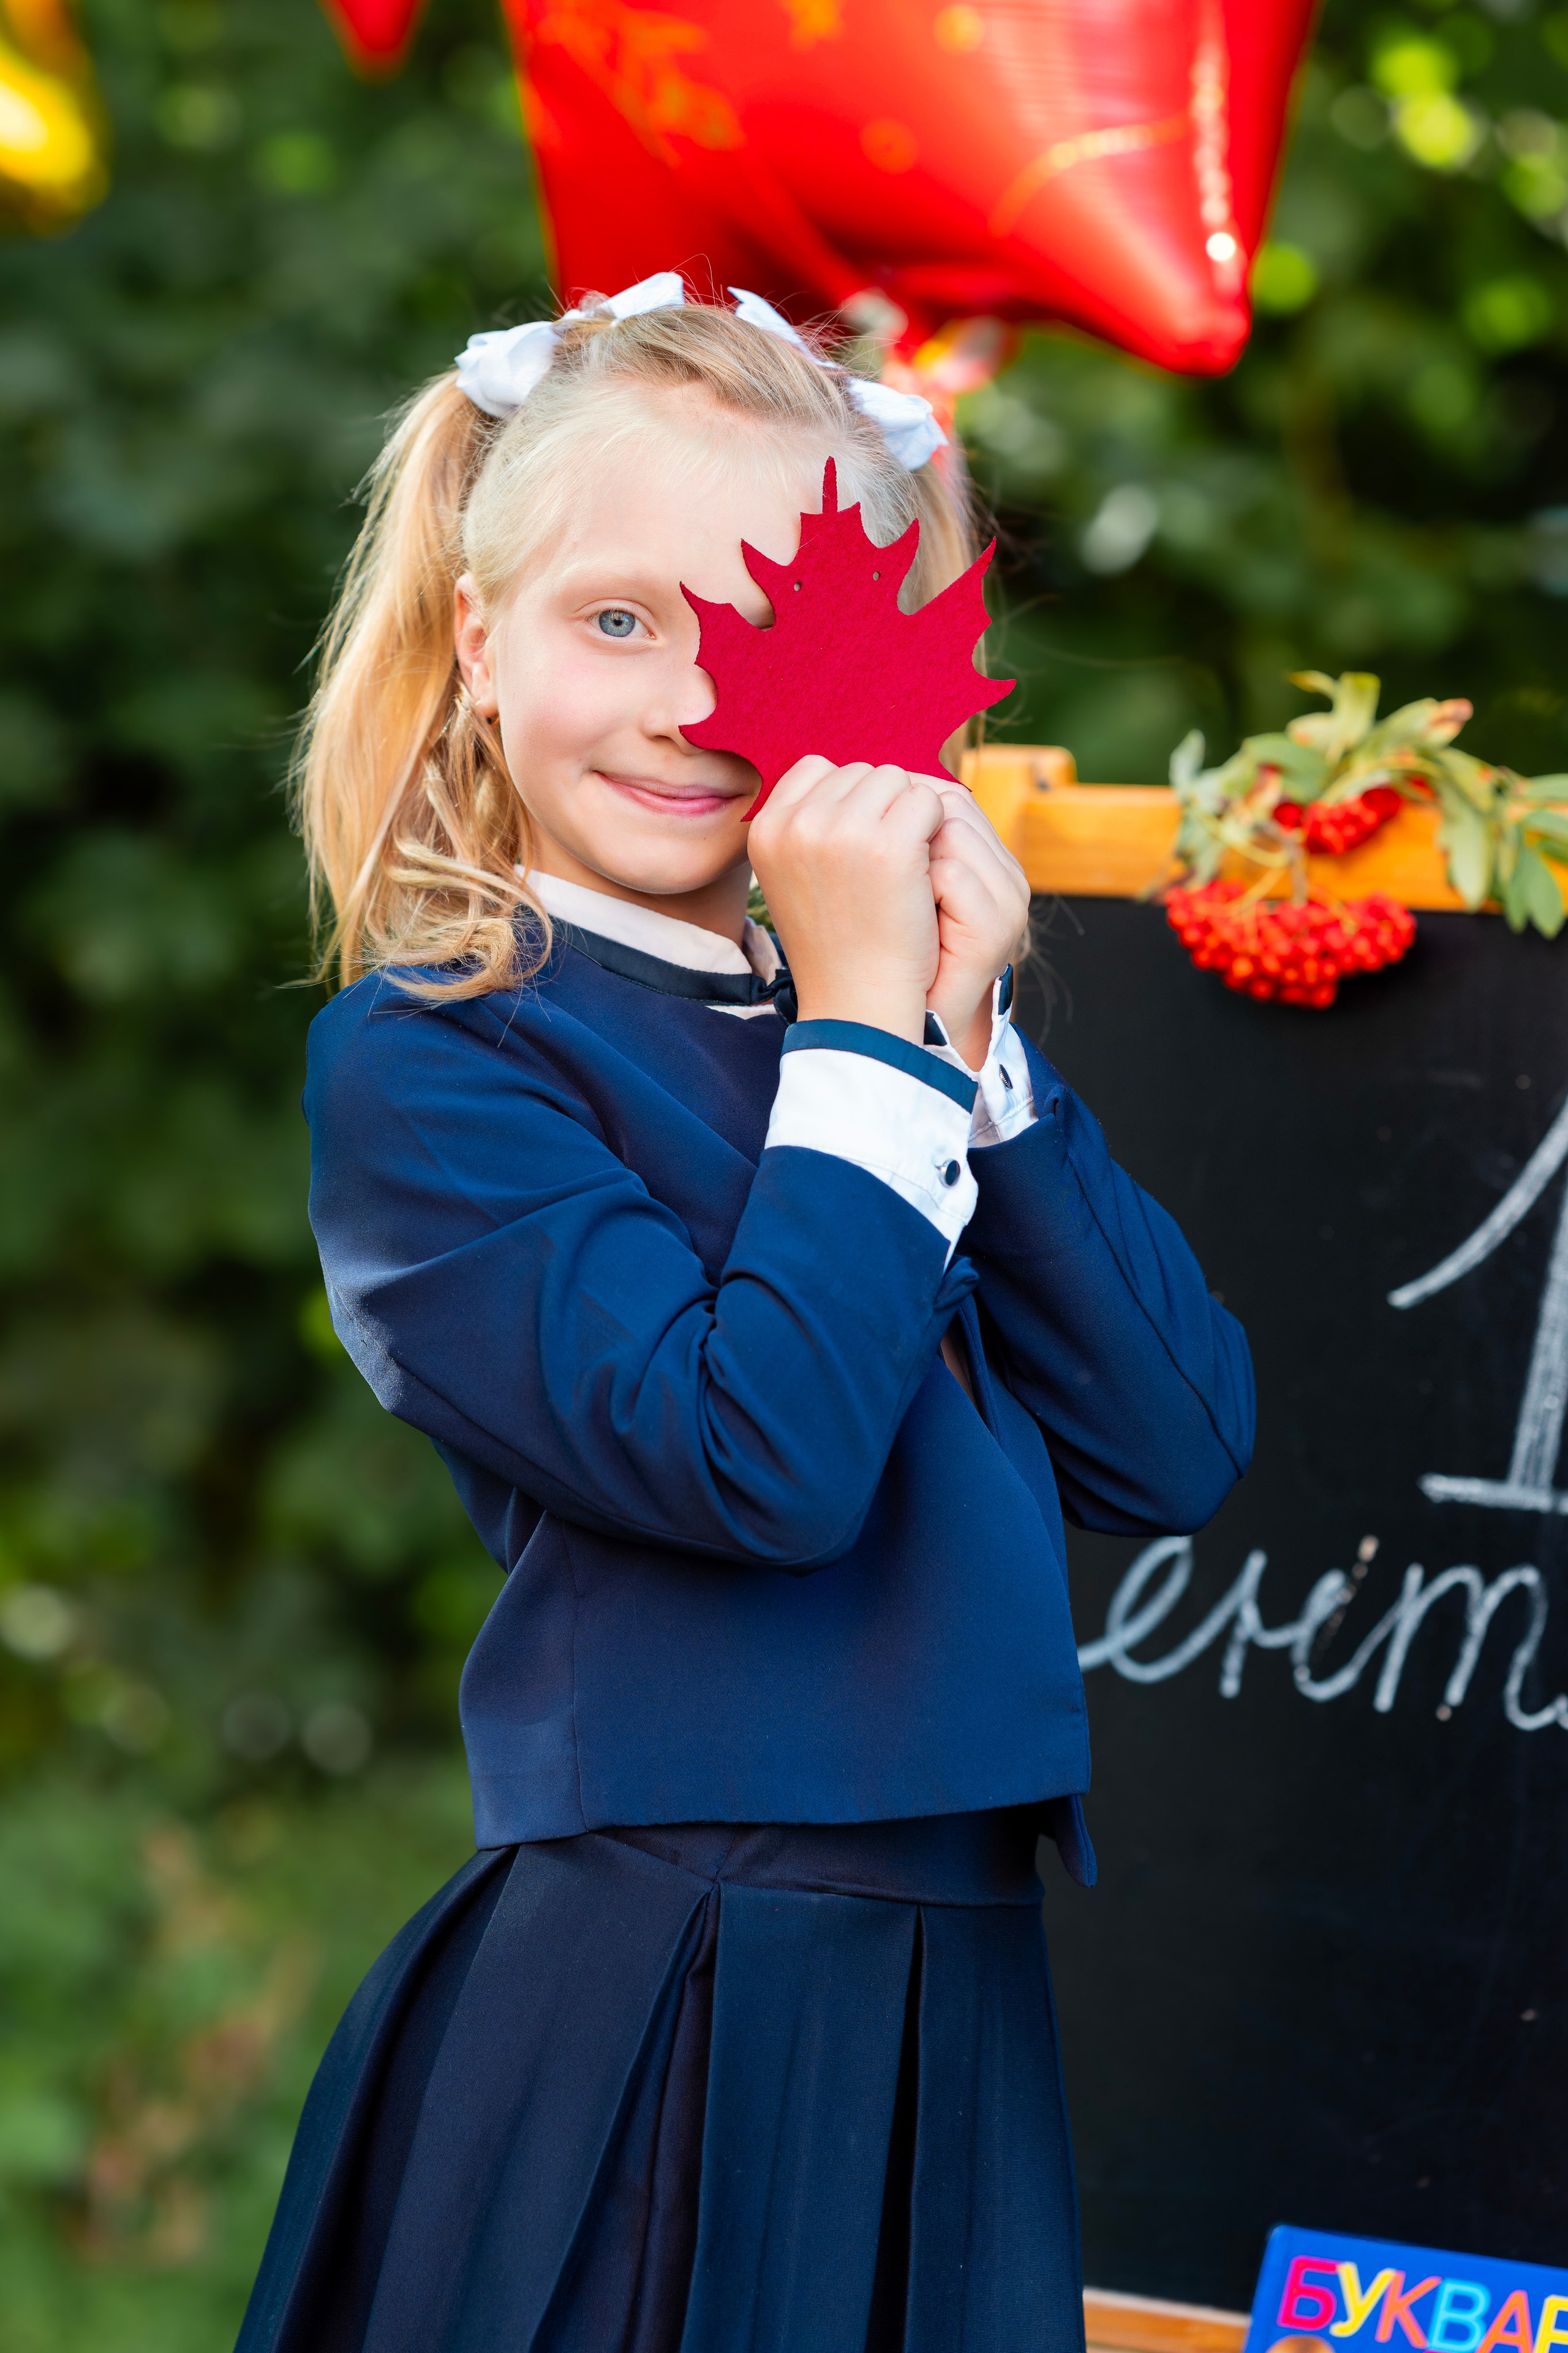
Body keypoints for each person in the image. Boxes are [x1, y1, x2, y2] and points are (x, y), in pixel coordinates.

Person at [236, 273, 1254, 2353]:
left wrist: (966, 1040)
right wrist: (876, 1028)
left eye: (767, 625)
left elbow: (1176, 1438)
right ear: (476, 647)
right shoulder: (442, 1059)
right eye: (620, 618)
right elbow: (751, 1452)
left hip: (948, 1990)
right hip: (661, 1992)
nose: (696, 699)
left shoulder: (886, 1035)